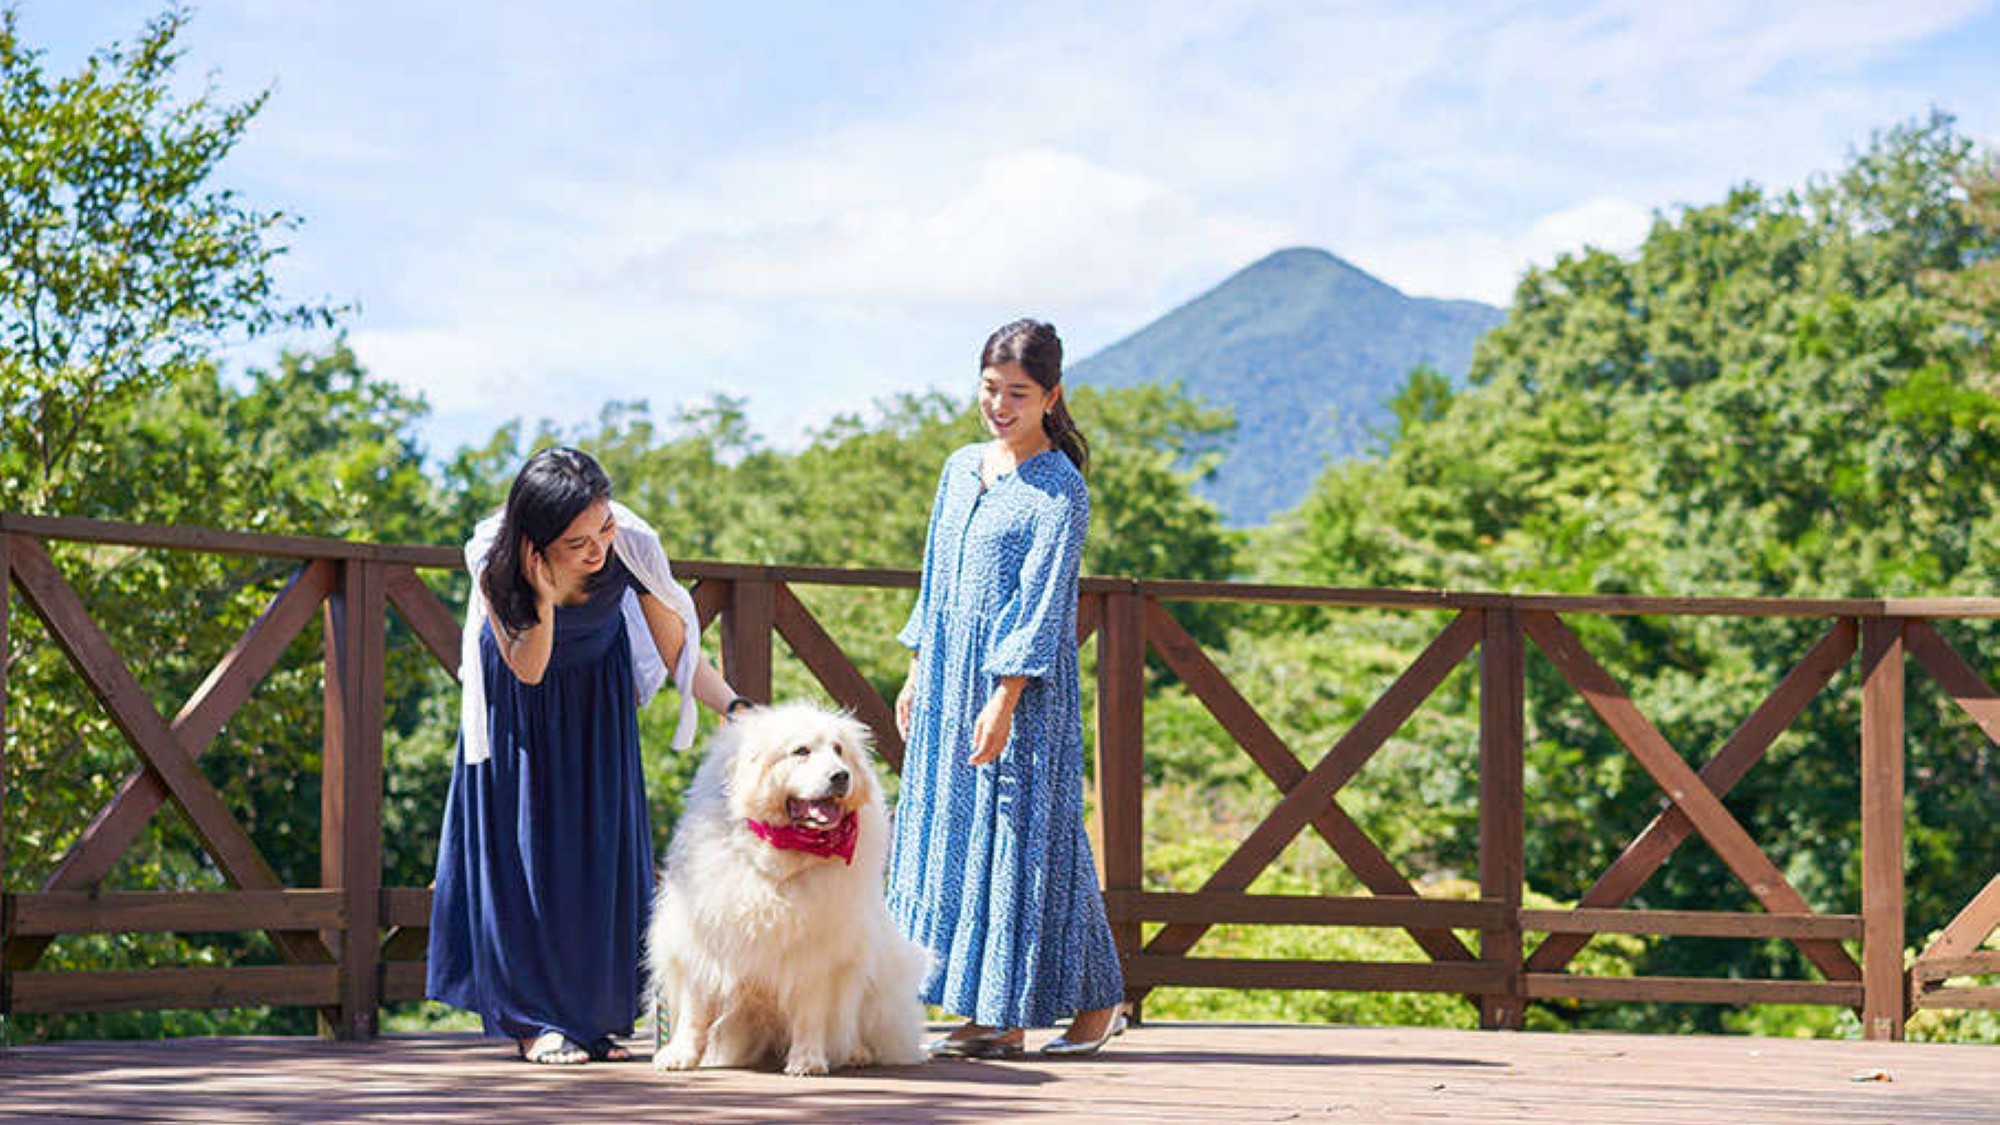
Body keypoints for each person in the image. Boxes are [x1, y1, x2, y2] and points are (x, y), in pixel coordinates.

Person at [426, 446, 750, 1065]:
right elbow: (528, 666)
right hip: (522, 709)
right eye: (578, 542)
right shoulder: (496, 561)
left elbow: (681, 652)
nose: (599, 548)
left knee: (599, 853)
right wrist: (544, 599)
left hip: (596, 706)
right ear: (537, 541)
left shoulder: (628, 543)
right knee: (527, 858)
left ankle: (591, 1017)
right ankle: (532, 1021)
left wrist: (735, 708)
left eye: (603, 526)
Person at [888, 318, 1127, 1059]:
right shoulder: (960, 467)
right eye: (989, 388)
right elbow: (935, 576)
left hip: (1019, 691)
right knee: (964, 836)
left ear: (1051, 396)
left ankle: (1058, 1007)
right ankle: (1003, 1009)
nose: (999, 404)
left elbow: (1043, 600)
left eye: (1017, 393)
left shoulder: (1061, 488)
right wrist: (918, 664)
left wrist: (1004, 696)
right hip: (947, 679)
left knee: (1029, 840)